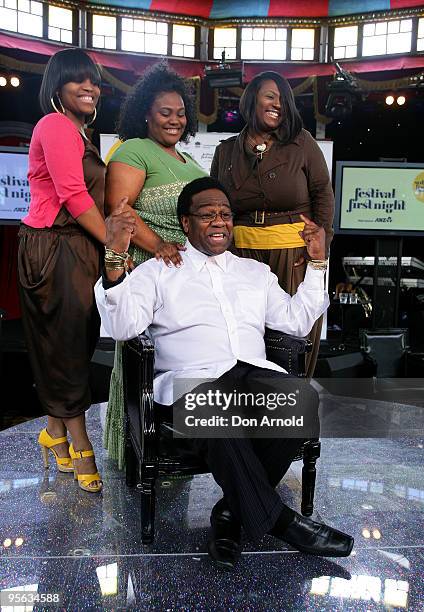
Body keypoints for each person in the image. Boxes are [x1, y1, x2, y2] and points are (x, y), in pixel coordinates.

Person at [95, 177, 353, 570]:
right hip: (190, 384)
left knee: (302, 400)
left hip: (251, 373)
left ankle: (231, 514)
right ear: (186, 222)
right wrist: (114, 256)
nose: (219, 221)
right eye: (207, 214)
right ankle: (283, 523)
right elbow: (123, 327)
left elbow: (297, 321)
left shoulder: (254, 272)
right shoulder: (160, 271)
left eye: (225, 214)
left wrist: (318, 263)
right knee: (218, 413)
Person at [17, 49, 118, 493]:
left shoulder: (81, 131)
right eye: (79, 80)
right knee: (65, 347)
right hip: (53, 245)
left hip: (77, 248)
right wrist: (113, 241)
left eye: (94, 81)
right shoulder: (55, 125)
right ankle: (79, 440)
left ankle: (53, 432)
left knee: (75, 344)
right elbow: (74, 195)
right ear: (57, 87)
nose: (90, 87)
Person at [104, 63, 207, 468]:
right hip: (149, 268)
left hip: (187, 278)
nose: (175, 119)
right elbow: (120, 211)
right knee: (145, 365)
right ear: (145, 113)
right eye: (165, 112)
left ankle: (180, 450)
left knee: (180, 364)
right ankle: (140, 453)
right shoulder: (133, 149)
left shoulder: (187, 159)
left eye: (180, 113)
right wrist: (159, 244)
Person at [210, 71, 334, 377]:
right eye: (270, 95)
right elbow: (213, 204)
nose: (277, 103)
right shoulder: (225, 151)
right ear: (252, 100)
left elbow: (323, 194)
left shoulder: (301, 143)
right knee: (242, 336)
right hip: (239, 256)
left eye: (283, 99)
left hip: (294, 254)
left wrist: (321, 245)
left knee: (293, 338)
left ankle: (293, 410)